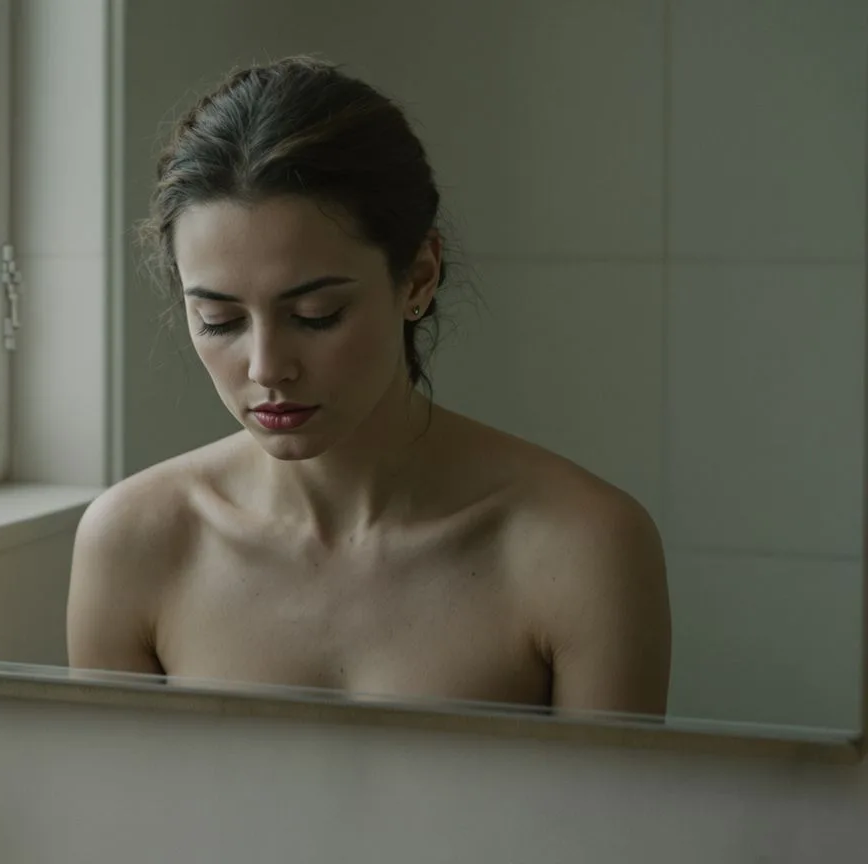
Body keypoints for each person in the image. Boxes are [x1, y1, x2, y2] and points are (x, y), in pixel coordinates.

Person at [66, 56, 671, 717]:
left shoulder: (583, 546)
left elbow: (606, 791)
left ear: (418, 277)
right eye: (219, 320)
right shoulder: (135, 543)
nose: (266, 367)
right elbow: (113, 787)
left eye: (316, 315)